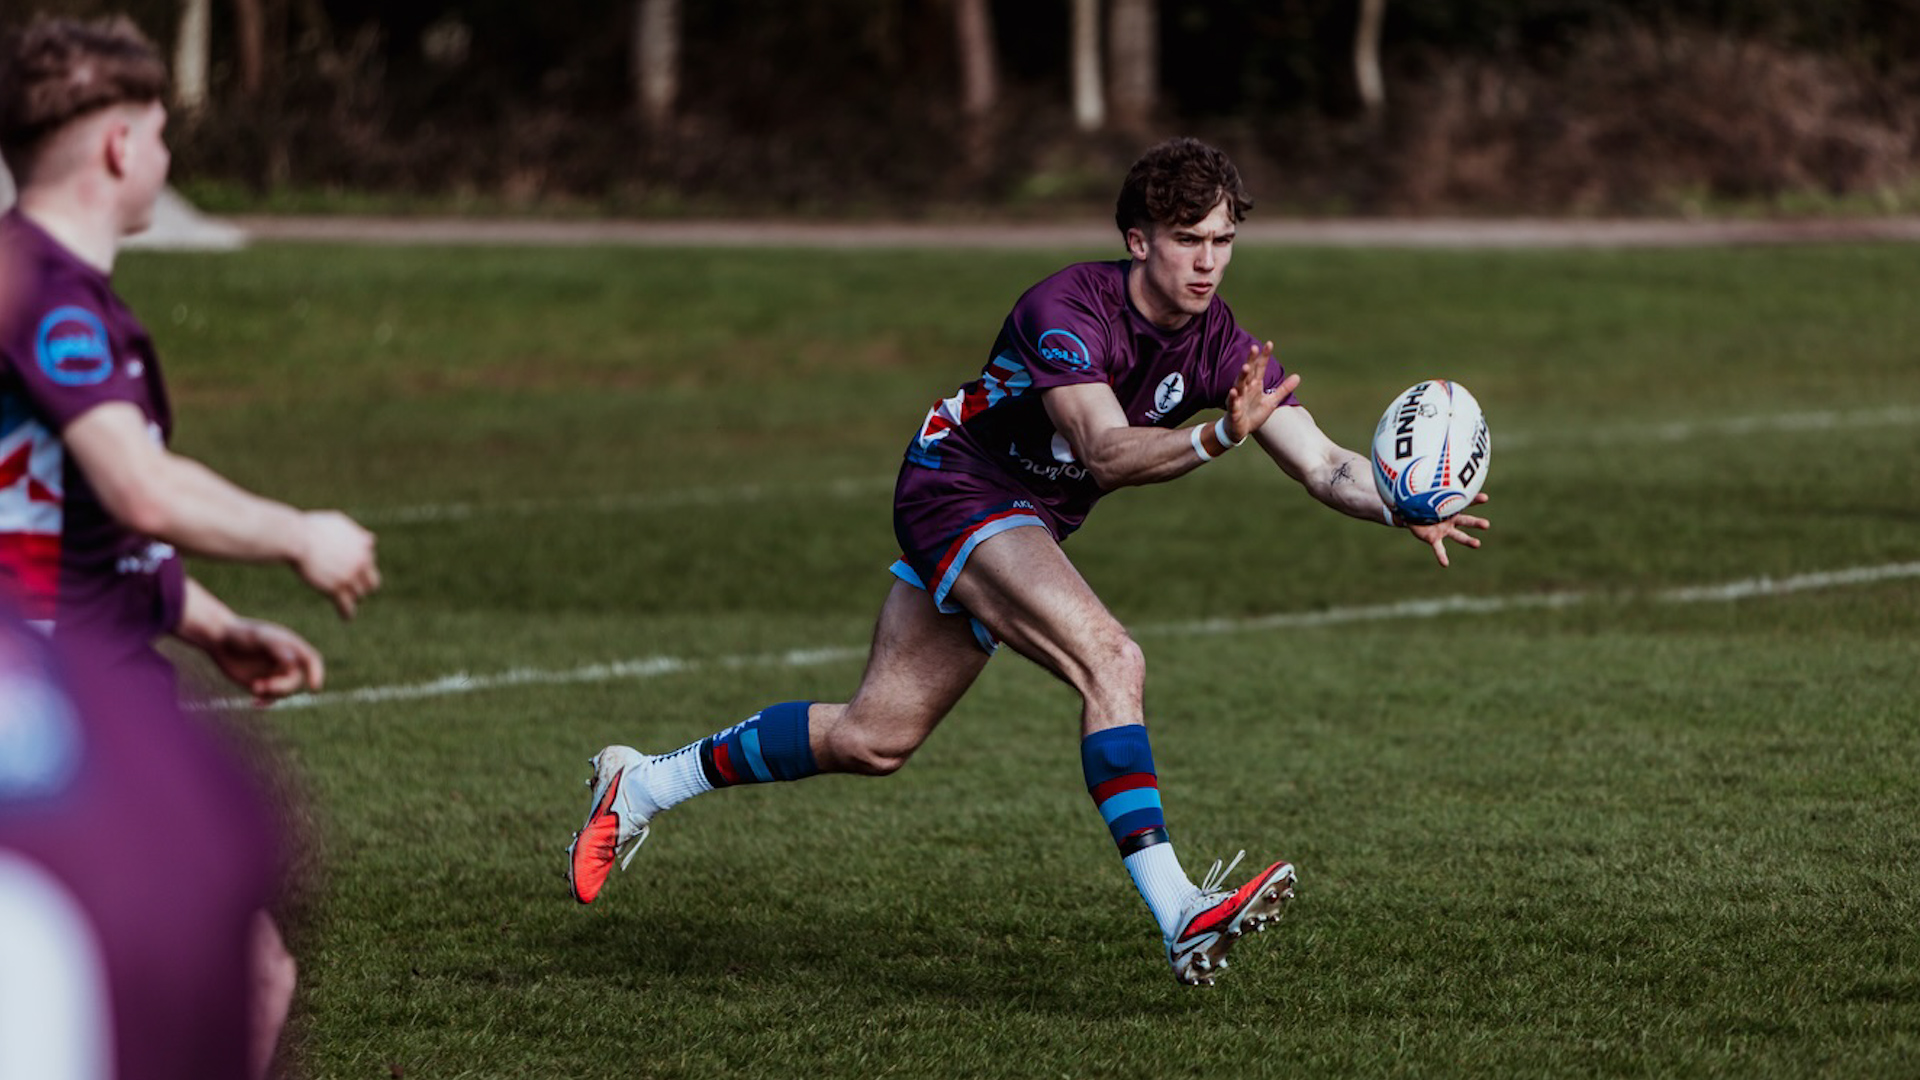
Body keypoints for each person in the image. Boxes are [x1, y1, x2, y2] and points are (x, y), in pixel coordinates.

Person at [566, 137, 1491, 985]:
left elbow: (1326, 464)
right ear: (1139, 241)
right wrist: (1215, 441)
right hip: (957, 488)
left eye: (1222, 240)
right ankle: (1180, 913)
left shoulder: (1220, 342)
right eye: (1186, 240)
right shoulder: (1067, 310)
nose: (1208, 262)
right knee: (1112, 658)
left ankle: (642, 781)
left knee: (873, 738)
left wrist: (1403, 501)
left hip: (1025, 519)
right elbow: (1104, 451)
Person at [0, 15, 380, 704]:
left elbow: (77, 515)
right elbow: (141, 489)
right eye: (160, 135)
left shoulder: (33, 279)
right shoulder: (54, 304)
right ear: (121, 148)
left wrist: (211, 625)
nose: (166, 157)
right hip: (53, 701)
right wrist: (301, 536)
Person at [0, 609, 291, 1080]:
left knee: (265, 971)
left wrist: (216, 627)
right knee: (262, 972)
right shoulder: (166, 764)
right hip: (114, 762)